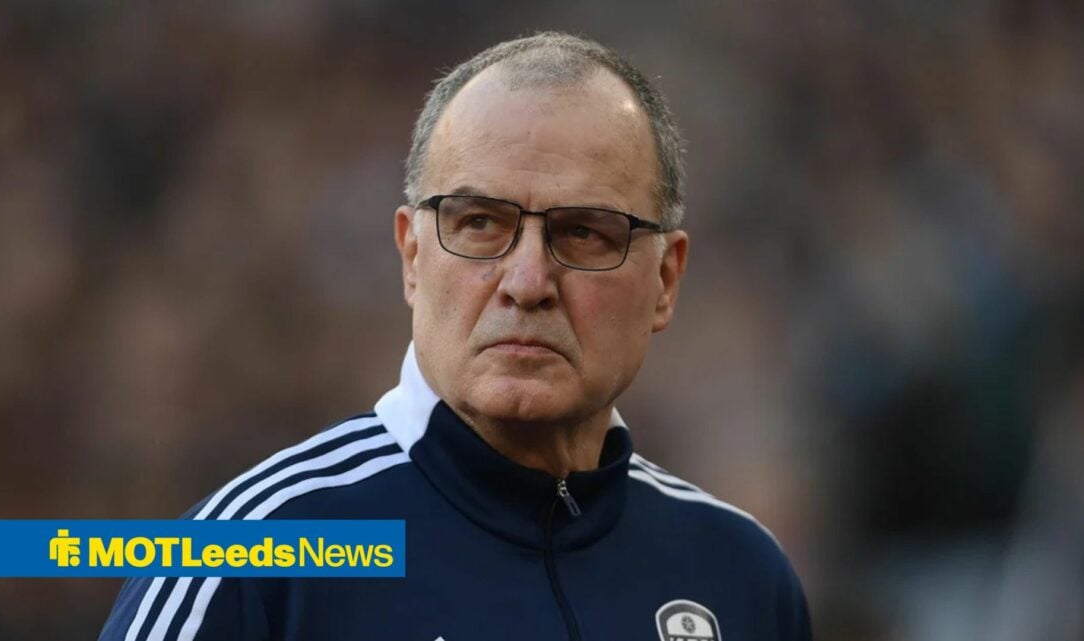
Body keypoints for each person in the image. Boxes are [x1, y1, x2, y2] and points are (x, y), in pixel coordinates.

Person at [99, 32, 811, 641]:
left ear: (665, 280)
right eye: (480, 224)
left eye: (584, 233)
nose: (527, 280)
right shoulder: (247, 558)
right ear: (412, 255)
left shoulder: (741, 576)